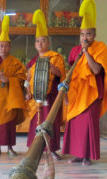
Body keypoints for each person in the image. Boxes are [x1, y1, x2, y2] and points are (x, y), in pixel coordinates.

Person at [62, 0, 107, 166]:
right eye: (82, 34)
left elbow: (97, 70)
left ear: (95, 34)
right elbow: (71, 72)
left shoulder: (100, 48)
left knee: (88, 126)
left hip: (91, 94)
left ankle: (87, 156)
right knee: (76, 126)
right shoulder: (74, 51)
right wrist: (66, 92)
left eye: (89, 34)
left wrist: (86, 52)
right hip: (77, 93)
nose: (85, 38)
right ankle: (77, 154)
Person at [0, 15, 26, 156]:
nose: (3, 48)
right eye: (1, 45)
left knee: (9, 123)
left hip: (10, 98)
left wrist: (10, 80)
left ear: (10, 47)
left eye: (6, 45)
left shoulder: (15, 62)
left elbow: (22, 78)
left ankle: (9, 148)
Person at [26, 9, 66, 160]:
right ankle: (35, 150)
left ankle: (52, 149)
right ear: (35, 44)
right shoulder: (33, 60)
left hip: (50, 97)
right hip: (36, 97)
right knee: (36, 121)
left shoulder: (55, 57)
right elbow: (27, 78)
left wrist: (52, 68)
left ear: (48, 42)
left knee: (51, 121)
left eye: (43, 40)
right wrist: (27, 89)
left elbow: (61, 75)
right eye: (38, 41)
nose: (40, 43)